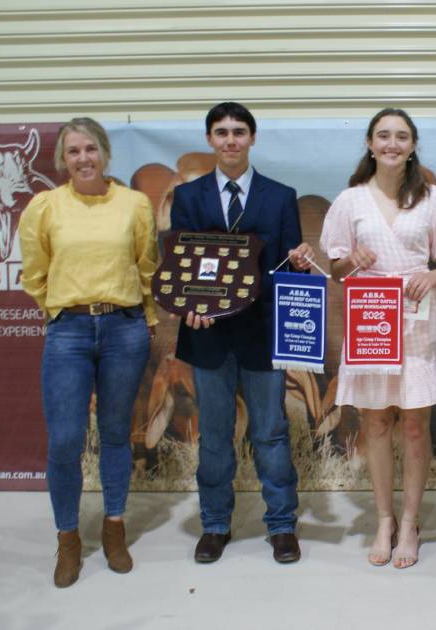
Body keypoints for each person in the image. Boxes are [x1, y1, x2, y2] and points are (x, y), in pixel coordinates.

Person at [319, 107, 436, 569]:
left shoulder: (434, 199)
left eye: (401, 136)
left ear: (412, 145)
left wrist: (434, 274)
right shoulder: (349, 201)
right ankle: (383, 518)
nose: (392, 143)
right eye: (383, 135)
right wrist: (353, 262)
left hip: (418, 325)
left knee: (415, 425)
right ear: (369, 143)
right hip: (370, 323)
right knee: (376, 424)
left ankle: (409, 522)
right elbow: (336, 269)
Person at [171, 102, 314, 565]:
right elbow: (184, 266)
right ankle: (215, 523)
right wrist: (194, 307)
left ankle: (281, 524)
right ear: (210, 140)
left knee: (270, 432)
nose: (230, 140)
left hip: (261, 331)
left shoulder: (280, 196)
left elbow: (289, 266)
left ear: (252, 138)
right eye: (221, 132)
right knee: (214, 435)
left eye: (238, 131)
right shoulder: (189, 198)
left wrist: (298, 263)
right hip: (208, 335)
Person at [19, 117, 159, 588]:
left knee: (117, 434)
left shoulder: (134, 204)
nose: (83, 158)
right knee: (64, 440)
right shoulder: (45, 207)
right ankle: (68, 539)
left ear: (105, 154)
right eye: (73, 151)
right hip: (69, 331)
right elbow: (34, 272)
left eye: (90, 149)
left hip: (124, 329)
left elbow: (146, 267)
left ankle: (114, 527)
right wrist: (60, 309)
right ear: (63, 158)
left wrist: (145, 320)